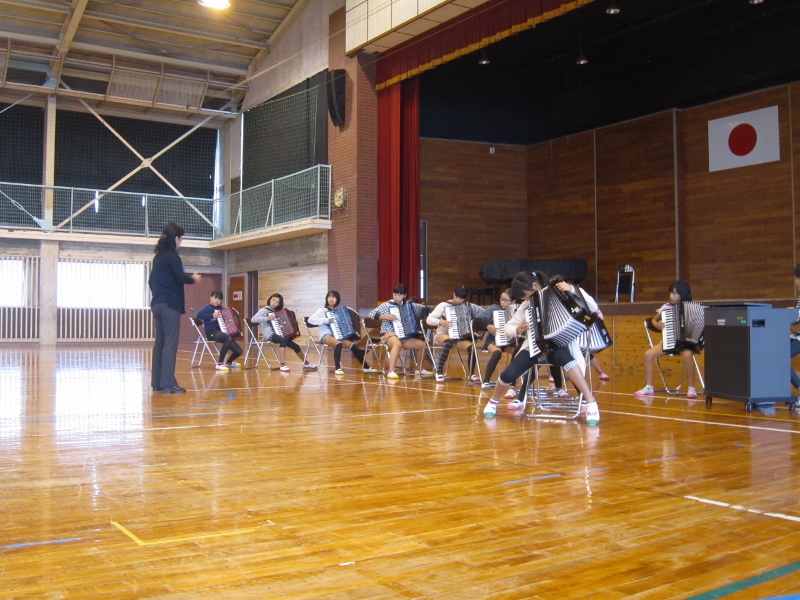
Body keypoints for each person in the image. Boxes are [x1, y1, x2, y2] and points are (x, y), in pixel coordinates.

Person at [482, 271, 601, 425]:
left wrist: (572, 289)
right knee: (508, 374)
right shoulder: (526, 305)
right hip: (535, 346)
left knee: (569, 361)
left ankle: (591, 402)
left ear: (535, 285)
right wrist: (517, 329)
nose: (526, 299)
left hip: (560, 344)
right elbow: (508, 327)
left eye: (526, 295)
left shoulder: (560, 292)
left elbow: (592, 306)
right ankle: (493, 401)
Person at [149, 222, 200, 393]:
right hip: (170, 305)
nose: (181, 242)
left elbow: (150, 281)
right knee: (170, 343)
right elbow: (180, 277)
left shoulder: (158, 257)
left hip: (157, 303)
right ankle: (168, 383)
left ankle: (157, 382)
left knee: (160, 343)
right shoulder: (172, 256)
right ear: (176, 239)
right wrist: (193, 279)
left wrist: (159, 293)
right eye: (181, 238)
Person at [635, 280, 699, 399]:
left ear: (683, 294)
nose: (671, 296)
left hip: (686, 344)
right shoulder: (666, 307)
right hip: (669, 341)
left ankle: (691, 388)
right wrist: (657, 324)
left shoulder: (692, 308)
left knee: (687, 355)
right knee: (648, 354)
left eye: (675, 293)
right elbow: (653, 320)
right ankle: (649, 386)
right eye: (670, 293)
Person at [307, 290, 378, 375]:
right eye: (329, 296)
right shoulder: (322, 310)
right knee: (338, 344)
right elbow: (310, 320)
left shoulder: (339, 312)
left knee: (353, 345)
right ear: (326, 298)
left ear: (337, 299)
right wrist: (326, 320)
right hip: (325, 335)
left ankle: (366, 367)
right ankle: (338, 368)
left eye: (334, 297)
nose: (331, 299)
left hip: (337, 335)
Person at [369, 284, 431, 380]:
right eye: (395, 294)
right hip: (389, 334)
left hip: (404, 336)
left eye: (400, 295)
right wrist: (386, 316)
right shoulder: (387, 305)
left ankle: (419, 369)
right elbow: (371, 314)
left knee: (423, 345)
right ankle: (391, 371)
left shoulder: (407, 307)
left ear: (405, 295)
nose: (397, 297)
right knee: (397, 344)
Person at [426, 285, 483, 383]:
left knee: (471, 348)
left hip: (459, 337)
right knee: (448, 341)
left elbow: (484, 313)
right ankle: (439, 372)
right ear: (453, 294)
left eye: (461, 298)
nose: (458, 300)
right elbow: (429, 319)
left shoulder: (469, 307)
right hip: (442, 334)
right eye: (457, 297)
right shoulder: (443, 305)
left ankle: (471, 374)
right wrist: (441, 321)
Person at [251, 293, 317, 372]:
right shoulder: (264, 310)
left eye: (277, 302)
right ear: (270, 299)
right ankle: (282, 365)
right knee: (282, 341)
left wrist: (292, 324)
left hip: (279, 334)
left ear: (279, 304)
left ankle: (306, 364)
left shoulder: (278, 312)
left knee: (296, 346)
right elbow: (253, 319)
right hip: (269, 334)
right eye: (273, 300)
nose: (274, 303)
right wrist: (267, 318)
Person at [474, 288, 519, 389]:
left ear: (513, 301)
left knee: (517, 352)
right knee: (497, 353)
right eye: (501, 299)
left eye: (506, 300)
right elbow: (476, 321)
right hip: (494, 339)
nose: (502, 302)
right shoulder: (494, 308)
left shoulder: (517, 310)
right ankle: (486, 380)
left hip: (510, 342)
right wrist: (487, 326)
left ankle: (512, 383)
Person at [195, 290, 243, 371]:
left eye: (219, 299)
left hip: (221, 333)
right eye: (215, 298)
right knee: (228, 338)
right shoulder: (207, 308)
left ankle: (229, 362)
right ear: (210, 298)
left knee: (238, 351)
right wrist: (212, 316)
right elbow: (198, 315)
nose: (217, 301)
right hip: (211, 333)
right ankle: (220, 363)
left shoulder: (222, 309)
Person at [789, 266, 800, 393]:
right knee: (776, 353)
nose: (797, 282)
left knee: (779, 356)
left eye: (799, 279)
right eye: (796, 279)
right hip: (797, 335)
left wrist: (793, 314)